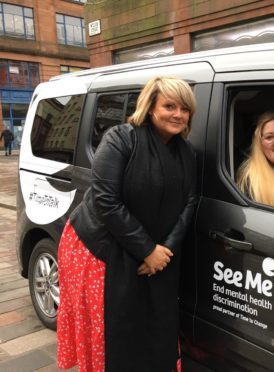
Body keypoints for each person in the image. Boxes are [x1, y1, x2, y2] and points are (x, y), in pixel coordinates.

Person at [57, 76, 197, 372]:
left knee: (152, 328)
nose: (178, 114)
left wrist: (164, 252)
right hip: (100, 249)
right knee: (112, 330)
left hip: (154, 254)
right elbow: (106, 200)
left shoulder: (186, 153)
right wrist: (147, 250)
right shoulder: (121, 138)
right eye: (169, 106)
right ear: (150, 107)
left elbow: (189, 203)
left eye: (184, 109)